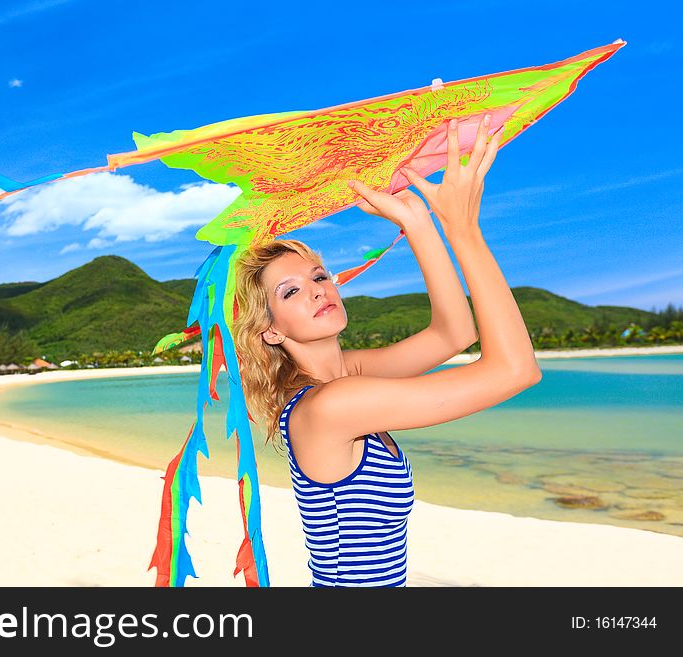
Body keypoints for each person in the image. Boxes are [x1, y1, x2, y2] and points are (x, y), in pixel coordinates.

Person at [231, 114, 542, 587]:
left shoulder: (345, 378)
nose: (318, 290)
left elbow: (455, 335)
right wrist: (463, 230)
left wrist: (417, 222)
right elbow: (516, 370)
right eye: (290, 292)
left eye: (318, 276)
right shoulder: (333, 405)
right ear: (269, 331)